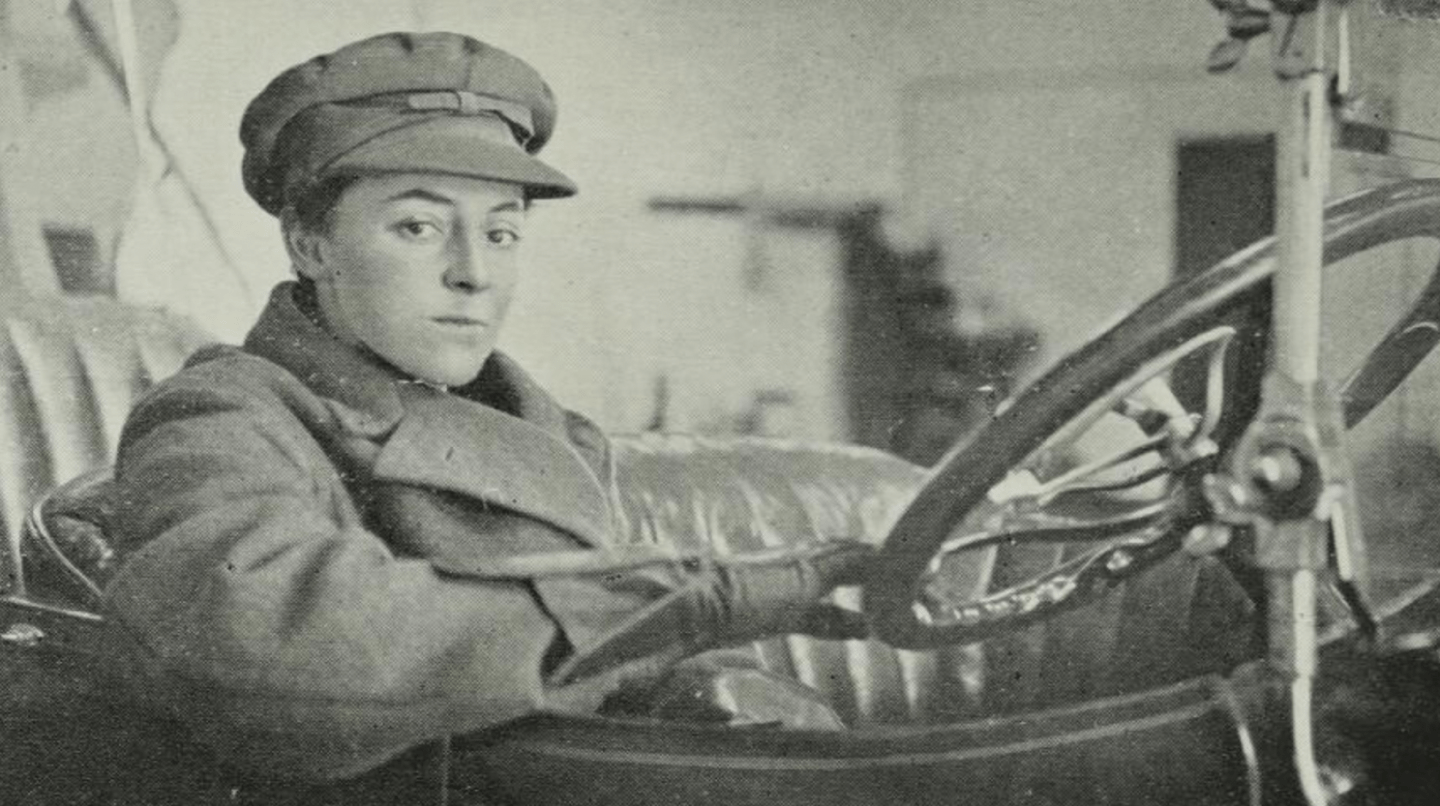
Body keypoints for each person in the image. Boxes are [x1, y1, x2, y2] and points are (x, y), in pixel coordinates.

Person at [98, 31, 874, 799]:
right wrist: (672, 605)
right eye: (419, 228)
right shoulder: (226, 414)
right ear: (311, 244)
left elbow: (611, 660)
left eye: (501, 233)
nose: (474, 273)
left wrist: (723, 687)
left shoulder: (555, 438)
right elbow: (266, 640)